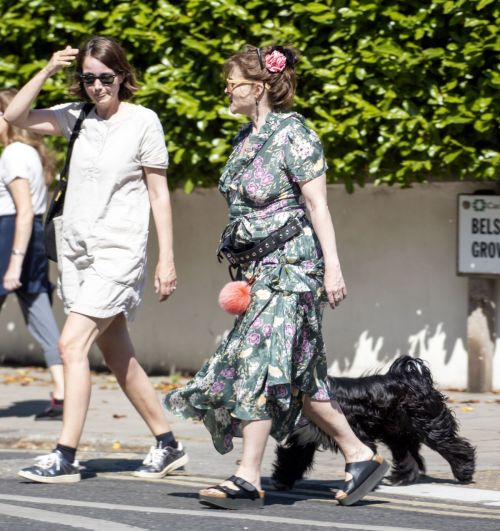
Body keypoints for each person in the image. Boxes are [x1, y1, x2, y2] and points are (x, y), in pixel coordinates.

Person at [164, 45, 388, 509]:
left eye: (234, 82)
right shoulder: (245, 140)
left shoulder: (295, 134)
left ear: (260, 87)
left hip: (293, 270)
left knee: (260, 366)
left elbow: (317, 206)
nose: (227, 89)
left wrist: (333, 268)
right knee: (300, 379)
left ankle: (247, 477)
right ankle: (359, 454)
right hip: (260, 272)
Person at [5, 36, 187, 483]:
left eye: (106, 78)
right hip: (77, 255)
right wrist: (48, 69)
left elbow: (158, 193)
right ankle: (168, 444)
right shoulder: (76, 118)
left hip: (119, 253)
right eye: (88, 78)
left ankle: (65, 454)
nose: (97, 87)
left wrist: (166, 259)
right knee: (118, 356)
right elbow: (14, 116)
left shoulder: (143, 121)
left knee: (70, 345)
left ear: (123, 76)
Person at [0, 89, 65, 421]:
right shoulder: (31, 154)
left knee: (38, 311)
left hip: (11, 236)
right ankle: (63, 392)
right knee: (39, 313)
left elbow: (22, 212)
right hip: (32, 237)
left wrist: (13, 262)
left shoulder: (12, 154)